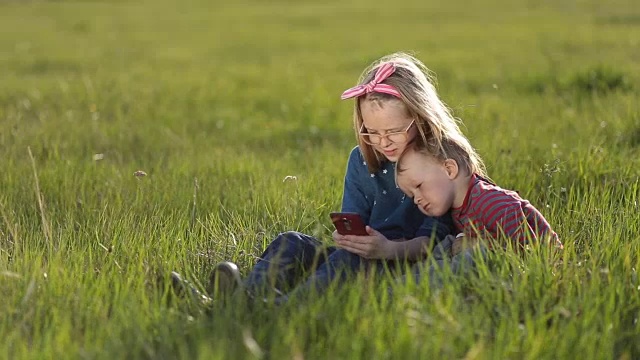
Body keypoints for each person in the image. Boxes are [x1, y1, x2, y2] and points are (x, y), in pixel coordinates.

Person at [172, 52, 473, 304]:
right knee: (291, 242)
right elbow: (351, 221)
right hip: (364, 257)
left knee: (349, 261)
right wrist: (348, 238)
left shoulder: (438, 165)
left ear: (420, 119)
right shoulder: (361, 159)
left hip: (401, 264)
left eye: (393, 131)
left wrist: (387, 249)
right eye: (372, 131)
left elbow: (436, 242)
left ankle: (279, 308)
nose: (384, 141)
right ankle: (243, 299)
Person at [394, 135, 564, 288]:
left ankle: (413, 286)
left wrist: (474, 245)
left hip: (531, 264)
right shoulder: (458, 208)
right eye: (411, 195)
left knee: (470, 254)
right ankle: (409, 279)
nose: (416, 199)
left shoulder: (490, 202)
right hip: (493, 261)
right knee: (447, 245)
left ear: (449, 170)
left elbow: (526, 249)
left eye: (418, 187)